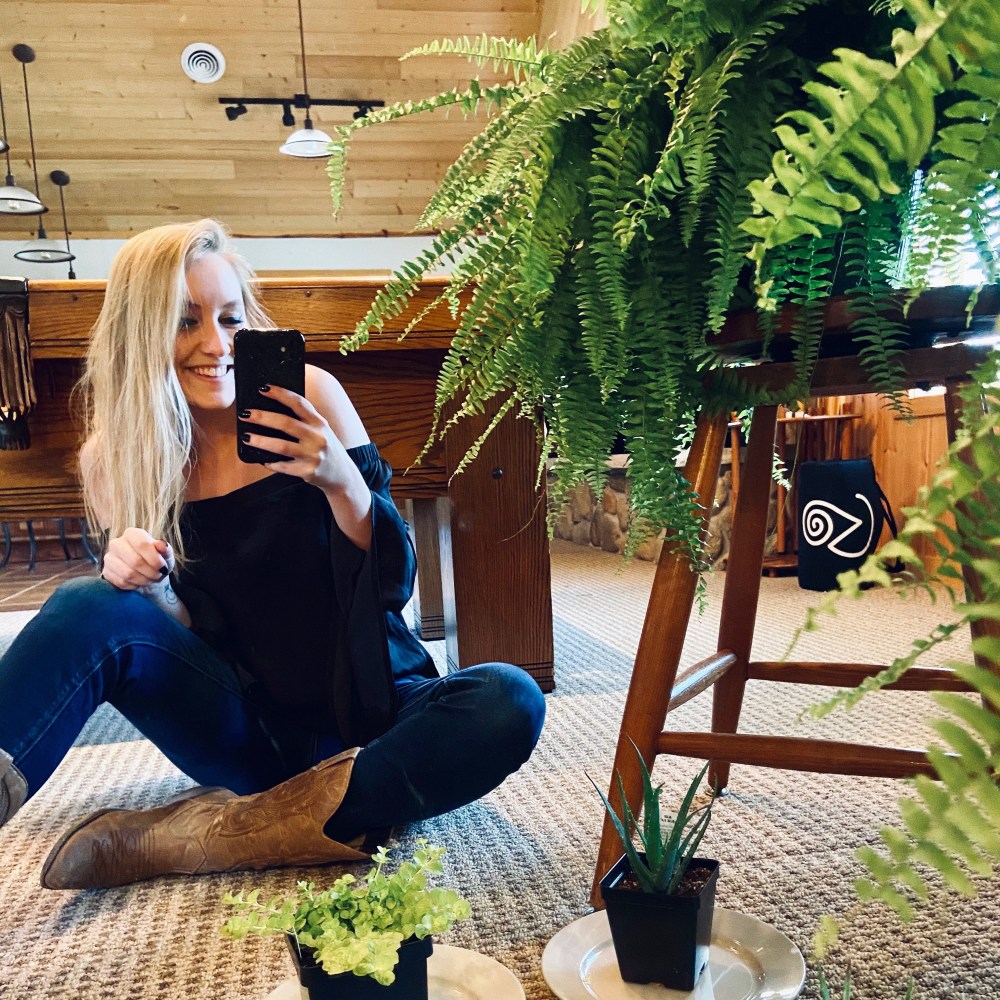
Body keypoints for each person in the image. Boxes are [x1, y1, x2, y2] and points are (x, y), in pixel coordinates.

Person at [0, 219, 545, 890]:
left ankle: (221, 835)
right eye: (184, 323)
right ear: (140, 336)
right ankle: (309, 816)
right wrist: (146, 586)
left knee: (508, 700)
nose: (216, 345)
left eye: (230, 319)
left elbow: (391, 586)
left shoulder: (309, 398)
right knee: (88, 604)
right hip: (247, 734)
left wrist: (342, 482)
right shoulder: (118, 461)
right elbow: (191, 638)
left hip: (375, 715)